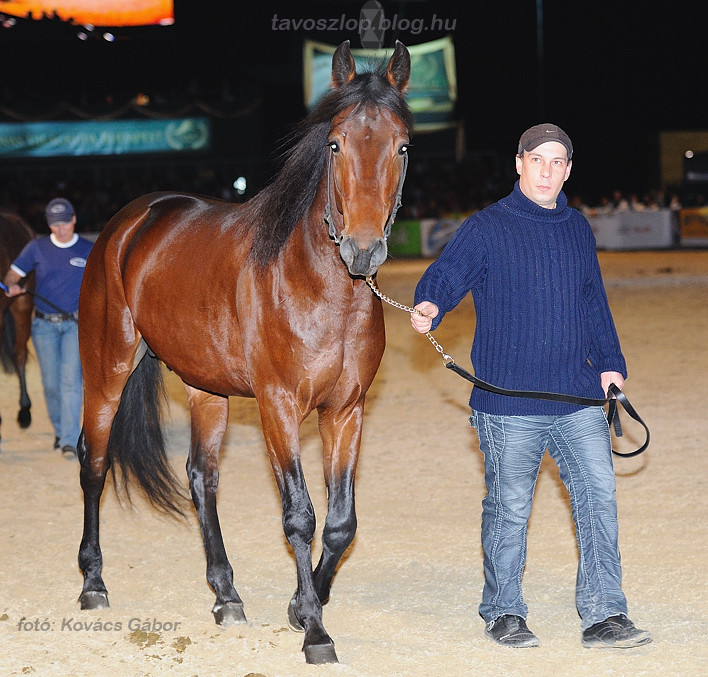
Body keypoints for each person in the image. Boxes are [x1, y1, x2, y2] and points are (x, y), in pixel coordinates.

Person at [410, 124, 651, 649]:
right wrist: (431, 302)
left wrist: (610, 363)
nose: (547, 170)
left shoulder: (577, 228)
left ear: (568, 169)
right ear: (518, 163)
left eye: (558, 162)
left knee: (598, 498)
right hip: (508, 402)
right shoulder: (487, 226)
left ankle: (605, 614)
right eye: (537, 159)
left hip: (577, 395)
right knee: (510, 506)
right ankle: (503, 611)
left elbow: (593, 300)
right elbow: (448, 273)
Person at [2, 198, 93, 459]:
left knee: (70, 382)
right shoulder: (36, 248)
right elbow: (12, 274)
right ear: (49, 225)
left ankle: (69, 439)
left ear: (74, 219)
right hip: (43, 326)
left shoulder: (88, 250)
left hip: (75, 326)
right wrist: (12, 286)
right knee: (51, 385)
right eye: (55, 225)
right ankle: (60, 430)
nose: (61, 229)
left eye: (64, 223)